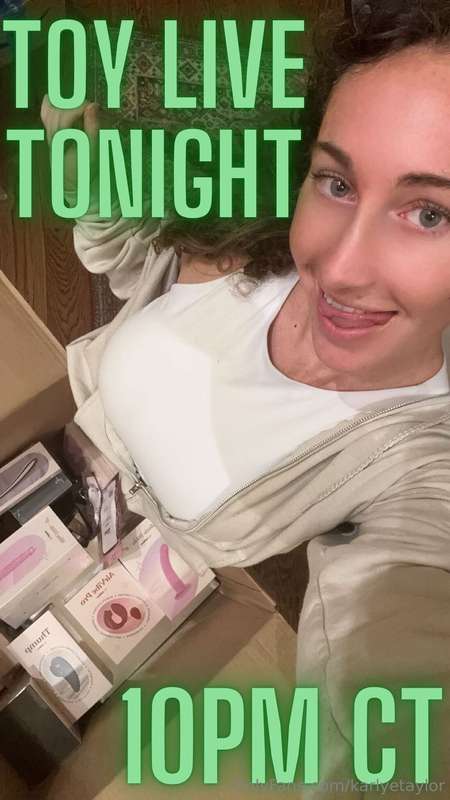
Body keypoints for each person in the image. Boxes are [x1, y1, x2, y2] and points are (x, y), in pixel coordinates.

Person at [41, 1, 450, 795]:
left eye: (429, 212)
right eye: (337, 181)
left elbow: (399, 693)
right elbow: (129, 251)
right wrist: (84, 125)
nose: (337, 266)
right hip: (74, 448)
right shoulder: (248, 232)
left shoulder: (421, 474)